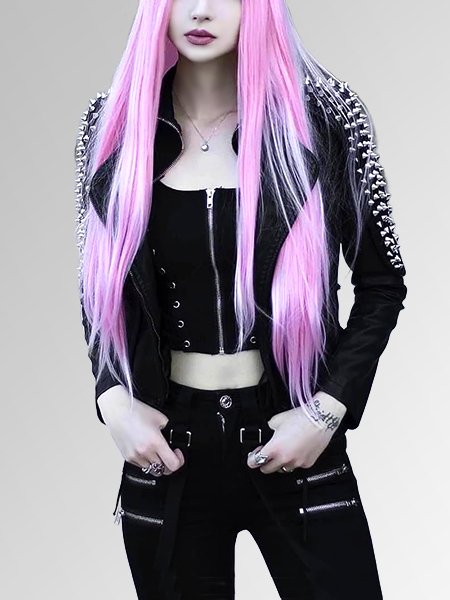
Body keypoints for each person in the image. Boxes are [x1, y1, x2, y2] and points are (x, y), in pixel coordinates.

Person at [74, 1, 407, 598]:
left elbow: (383, 284)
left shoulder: (325, 119)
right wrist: (113, 400)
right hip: (169, 451)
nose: (201, 10)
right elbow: (99, 287)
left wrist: (326, 412)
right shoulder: (112, 124)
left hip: (294, 435)